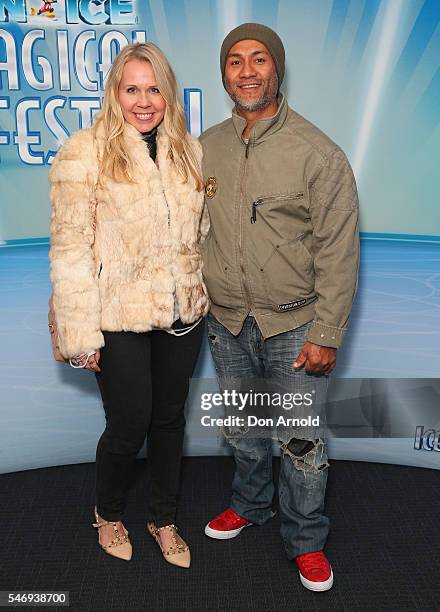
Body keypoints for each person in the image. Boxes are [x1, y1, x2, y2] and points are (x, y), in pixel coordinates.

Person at [200, 23, 359, 591]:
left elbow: (340, 249)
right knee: (244, 431)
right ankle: (250, 504)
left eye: (259, 59)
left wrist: (329, 331)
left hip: (295, 324)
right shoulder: (205, 147)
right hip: (225, 323)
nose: (247, 71)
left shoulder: (318, 153)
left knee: (297, 439)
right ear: (224, 73)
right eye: (235, 61)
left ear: (277, 68)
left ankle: (306, 539)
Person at [49, 42, 209, 567]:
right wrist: (79, 336)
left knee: (168, 420)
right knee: (129, 422)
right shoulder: (83, 151)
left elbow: (198, 233)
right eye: (132, 89)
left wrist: (199, 290)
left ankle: (163, 518)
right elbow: (70, 247)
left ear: (168, 93)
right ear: (115, 93)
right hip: (116, 314)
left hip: (180, 313)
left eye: (154, 88)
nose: (144, 101)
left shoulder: (188, 150)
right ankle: (108, 511)